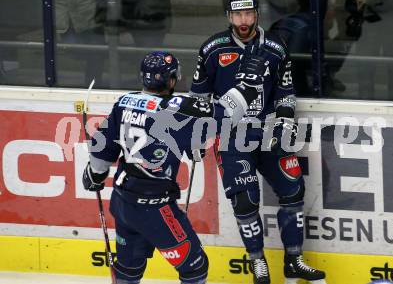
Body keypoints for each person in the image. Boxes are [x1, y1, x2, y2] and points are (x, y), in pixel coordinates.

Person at [81, 50, 264, 284]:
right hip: (155, 210)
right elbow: (227, 114)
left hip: (123, 203)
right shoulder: (178, 109)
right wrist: (248, 85)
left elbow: (101, 150)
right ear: (170, 79)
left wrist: (94, 174)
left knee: (128, 267)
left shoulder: (125, 102)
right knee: (195, 266)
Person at [190, 0, 326, 284]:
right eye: (237, 15)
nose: (243, 20)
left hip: (268, 134)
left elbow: (286, 92)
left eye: (248, 14)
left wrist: (286, 123)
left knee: (293, 191)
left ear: (256, 15)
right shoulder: (213, 49)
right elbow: (198, 99)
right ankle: (258, 263)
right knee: (245, 201)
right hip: (231, 136)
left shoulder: (276, 48)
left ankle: (294, 260)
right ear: (229, 16)